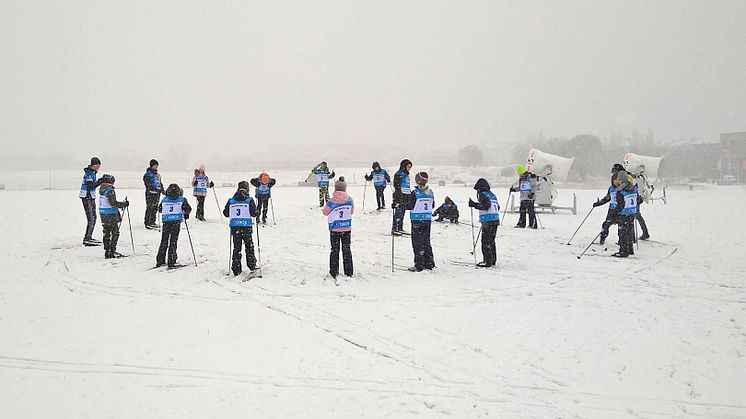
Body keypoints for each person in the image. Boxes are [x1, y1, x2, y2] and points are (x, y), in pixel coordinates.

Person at [322, 177, 354, 279]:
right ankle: (348, 271)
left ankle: (334, 271)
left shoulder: (332, 201)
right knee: (347, 250)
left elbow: (325, 212)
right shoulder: (350, 200)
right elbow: (351, 212)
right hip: (346, 228)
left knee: (334, 250)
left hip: (335, 229)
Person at [223, 181, 257, 276]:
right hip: (246, 227)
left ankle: (236, 268)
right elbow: (254, 213)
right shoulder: (249, 200)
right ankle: (252, 265)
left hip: (235, 227)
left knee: (236, 248)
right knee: (249, 246)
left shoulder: (231, 200)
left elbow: (225, 213)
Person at [156, 184, 192, 268]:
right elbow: (188, 209)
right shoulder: (182, 199)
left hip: (166, 222)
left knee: (164, 241)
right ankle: (171, 260)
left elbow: (160, 209)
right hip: (175, 222)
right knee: (173, 241)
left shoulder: (165, 199)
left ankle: (160, 259)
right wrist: (186, 214)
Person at [405, 172, 435, 271]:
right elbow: (433, 205)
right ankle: (429, 263)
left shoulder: (415, 193)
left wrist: (399, 205)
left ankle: (419, 265)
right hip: (427, 220)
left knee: (417, 243)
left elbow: (410, 205)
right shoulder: (430, 192)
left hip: (417, 220)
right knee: (426, 242)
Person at [468, 178, 500, 267]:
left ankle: (487, 261)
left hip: (488, 221)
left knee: (485, 241)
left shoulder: (483, 194)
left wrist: (474, 205)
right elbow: (498, 207)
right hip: (495, 220)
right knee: (491, 241)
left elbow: (485, 206)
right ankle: (493, 259)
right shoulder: (492, 195)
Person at [97, 174, 130, 259]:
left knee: (106, 232)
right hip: (110, 214)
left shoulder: (102, 189)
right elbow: (113, 203)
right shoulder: (110, 190)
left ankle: (107, 250)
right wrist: (123, 204)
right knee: (115, 232)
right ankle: (111, 251)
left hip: (103, 213)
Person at [592, 163, 625, 245]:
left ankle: (622, 242)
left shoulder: (624, 188)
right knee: (606, 224)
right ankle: (602, 239)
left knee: (621, 227)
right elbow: (608, 197)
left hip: (621, 210)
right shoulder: (611, 188)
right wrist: (599, 203)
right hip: (612, 209)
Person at [610, 170, 637, 258]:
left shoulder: (620, 190)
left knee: (622, 233)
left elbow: (620, 205)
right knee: (629, 231)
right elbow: (639, 200)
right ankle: (630, 249)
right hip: (632, 214)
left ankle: (623, 251)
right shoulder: (634, 188)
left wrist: (614, 213)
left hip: (623, 214)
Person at [80, 157, 103, 246]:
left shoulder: (92, 173)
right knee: (91, 218)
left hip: (90, 197)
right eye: (97, 165)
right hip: (87, 197)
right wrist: (100, 182)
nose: (98, 167)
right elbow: (90, 186)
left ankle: (89, 236)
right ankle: (87, 238)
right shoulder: (89, 174)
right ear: (94, 165)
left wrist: (98, 181)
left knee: (94, 217)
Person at [391, 159, 413, 235]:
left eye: (410, 167)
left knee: (402, 212)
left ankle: (400, 228)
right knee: (398, 213)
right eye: (408, 166)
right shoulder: (398, 174)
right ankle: (394, 228)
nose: (409, 168)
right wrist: (397, 198)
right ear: (404, 166)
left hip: (406, 196)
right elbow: (396, 186)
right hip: (399, 195)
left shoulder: (406, 174)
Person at [143, 159, 165, 230]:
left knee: (155, 208)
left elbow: (160, 183)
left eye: (157, 165)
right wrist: (154, 189)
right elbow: (148, 185)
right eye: (155, 165)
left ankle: (153, 221)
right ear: (152, 166)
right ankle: (147, 222)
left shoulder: (158, 175)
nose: (156, 167)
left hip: (157, 194)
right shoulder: (147, 175)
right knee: (150, 207)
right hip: (150, 194)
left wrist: (162, 190)